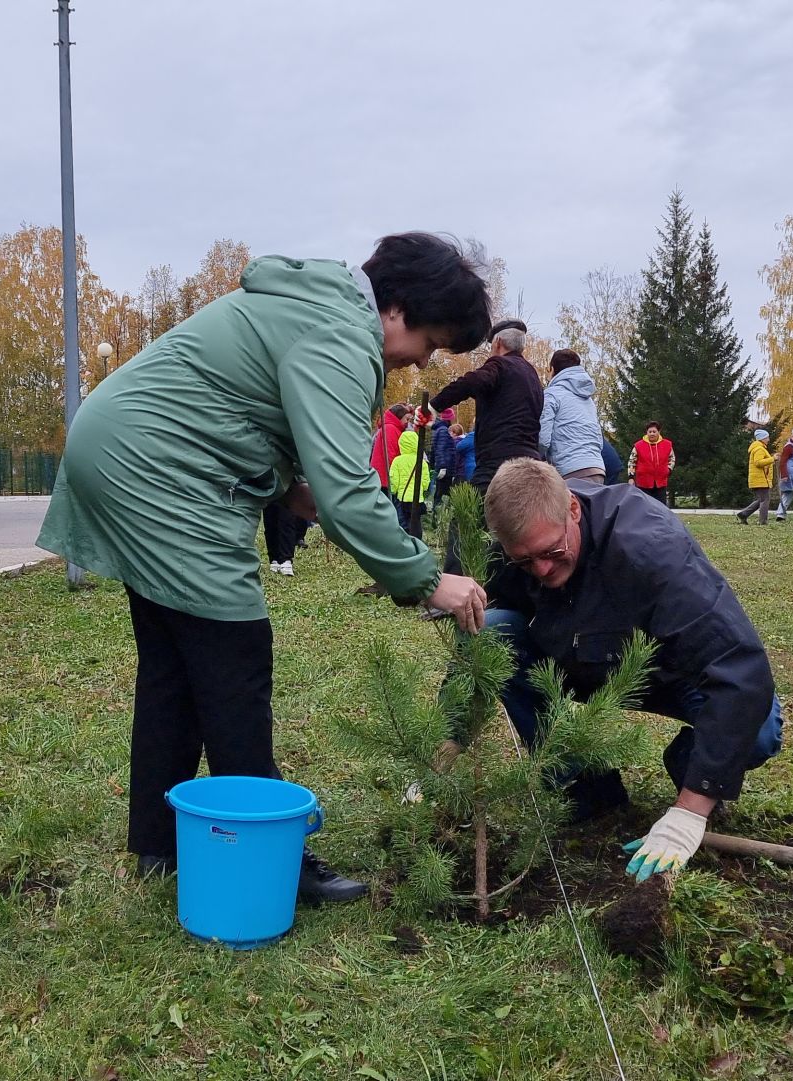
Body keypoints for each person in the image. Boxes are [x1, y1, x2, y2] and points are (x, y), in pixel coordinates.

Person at [38, 232, 493, 902]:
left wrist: (292, 489)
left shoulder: (313, 308)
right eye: (428, 341)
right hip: (160, 469)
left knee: (174, 661)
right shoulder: (341, 332)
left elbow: (243, 411)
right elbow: (345, 486)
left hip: (118, 442)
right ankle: (271, 853)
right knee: (233, 653)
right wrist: (428, 576)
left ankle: (161, 849)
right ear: (397, 307)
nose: (417, 362)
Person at [481, 459, 785, 879]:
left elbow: (739, 668)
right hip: (580, 662)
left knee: (759, 733)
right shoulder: (520, 544)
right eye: (526, 562)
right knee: (491, 630)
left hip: (671, 673)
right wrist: (444, 743)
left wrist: (690, 813)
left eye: (551, 553)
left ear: (572, 509)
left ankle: (690, 769)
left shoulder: (651, 550)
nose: (543, 570)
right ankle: (584, 786)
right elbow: (480, 642)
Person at [431, 319, 544, 491]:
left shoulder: (500, 365)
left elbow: (470, 382)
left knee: (475, 515)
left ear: (498, 343)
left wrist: (434, 406)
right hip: (531, 465)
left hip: (497, 464)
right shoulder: (532, 375)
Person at [538, 349, 606, 482]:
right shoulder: (588, 399)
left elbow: (543, 439)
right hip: (597, 468)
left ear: (552, 369)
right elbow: (599, 439)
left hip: (569, 469)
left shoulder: (551, 395)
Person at [387, 427, 433, 534]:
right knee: (416, 523)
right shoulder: (422, 462)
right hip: (417, 498)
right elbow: (426, 481)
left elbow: (394, 479)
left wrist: (394, 490)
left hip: (403, 497)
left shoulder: (397, 461)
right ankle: (417, 542)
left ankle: (405, 542)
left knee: (403, 522)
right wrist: (423, 489)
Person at [736, 429, 775, 524]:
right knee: (765, 500)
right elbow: (758, 463)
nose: (768, 439)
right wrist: (773, 459)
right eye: (767, 437)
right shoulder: (759, 449)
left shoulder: (759, 448)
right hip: (760, 479)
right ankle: (762, 521)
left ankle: (744, 514)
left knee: (761, 499)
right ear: (762, 438)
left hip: (758, 479)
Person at [368, 403, 410, 490]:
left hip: (383, 475)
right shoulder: (390, 429)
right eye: (406, 418)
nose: (407, 422)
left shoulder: (391, 428)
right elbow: (390, 454)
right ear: (399, 416)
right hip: (384, 476)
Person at [631, 422, 675, 504]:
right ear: (646, 432)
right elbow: (632, 461)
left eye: (654, 432)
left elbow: (672, 458)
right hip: (643, 482)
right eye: (650, 432)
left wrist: (668, 470)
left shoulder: (667, 444)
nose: (652, 434)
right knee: (644, 506)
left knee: (661, 506)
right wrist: (631, 477)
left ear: (659, 432)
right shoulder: (638, 445)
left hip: (661, 482)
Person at [264, 500, 309, 575]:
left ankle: (286, 559)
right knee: (270, 519)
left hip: (288, 490)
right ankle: (274, 559)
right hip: (268, 491)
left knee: (287, 517)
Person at [429, 408, 459, 502]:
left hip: (442, 467)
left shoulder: (439, 430)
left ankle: (437, 513)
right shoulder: (444, 431)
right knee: (443, 494)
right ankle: (439, 513)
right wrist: (443, 467)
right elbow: (442, 449)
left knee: (439, 492)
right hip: (446, 469)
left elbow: (434, 449)